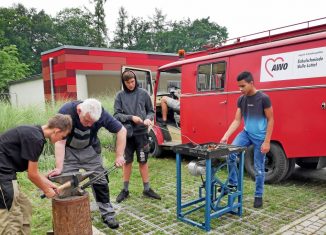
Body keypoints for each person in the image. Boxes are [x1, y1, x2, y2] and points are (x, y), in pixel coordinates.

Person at [47, 98, 126, 229]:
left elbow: (122, 130)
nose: (89, 125)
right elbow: (60, 142)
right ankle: (69, 216)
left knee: (100, 180)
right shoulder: (66, 112)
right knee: (68, 183)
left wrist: (119, 155)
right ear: (79, 111)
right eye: (86, 121)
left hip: (90, 150)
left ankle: (107, 214)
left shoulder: (100, 113)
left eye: (92, 122)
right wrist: (59, 167)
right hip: (69, 151)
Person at [0, 114, 72, 235]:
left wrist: (50, 185)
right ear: (57, 130)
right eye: (63, 136)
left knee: (24, 206)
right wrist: (46, 190)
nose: (61, 139)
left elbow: (32, 170)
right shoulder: (36, 139)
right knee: (11, 217)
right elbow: (32, 175)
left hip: (7, 173)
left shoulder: (34, 133)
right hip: (3, 175)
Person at [220, 71, 274, 208]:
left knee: (258, 168)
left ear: (251, 83)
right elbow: (237, 120)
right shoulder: (241, 99)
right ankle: (233, 183)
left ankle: (258, 195)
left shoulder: (263, 98)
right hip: (246, 133)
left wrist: (267, 141)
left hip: (260, 138)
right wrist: (226, 135)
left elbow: (271, 119)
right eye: (239, 86)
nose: (240, 89)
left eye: (243, 86)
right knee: (230, 153)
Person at [114, 70, 161, 203]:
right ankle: (125, 190)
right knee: (127, 162)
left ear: (135, 80)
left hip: (142, 134)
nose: (131, 85)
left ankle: (147, 189)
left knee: (143, 161)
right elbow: (116, 115)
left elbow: (151, 111)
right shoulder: (120, 96)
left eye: (132, 81)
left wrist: (148, 118)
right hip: (127, 135)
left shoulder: (144, 94)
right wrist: (131, 117)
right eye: (128, 82)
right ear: (124, 83)